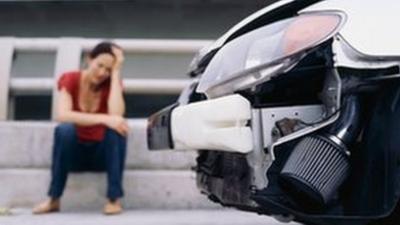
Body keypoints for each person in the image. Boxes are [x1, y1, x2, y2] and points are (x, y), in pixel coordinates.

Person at [32, 41, 128, 215]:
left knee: (117, 130)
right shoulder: (70, 79)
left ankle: (114, 199)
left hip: (102, 155)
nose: (102, 73)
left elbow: (117, 115)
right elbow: (62, 114)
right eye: (100, 65)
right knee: (64, 130)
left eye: (108, 69)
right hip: (73, 154)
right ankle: (54, 199)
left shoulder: (112, 84)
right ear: (89, 59)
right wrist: (105, 119)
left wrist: (116, 73)